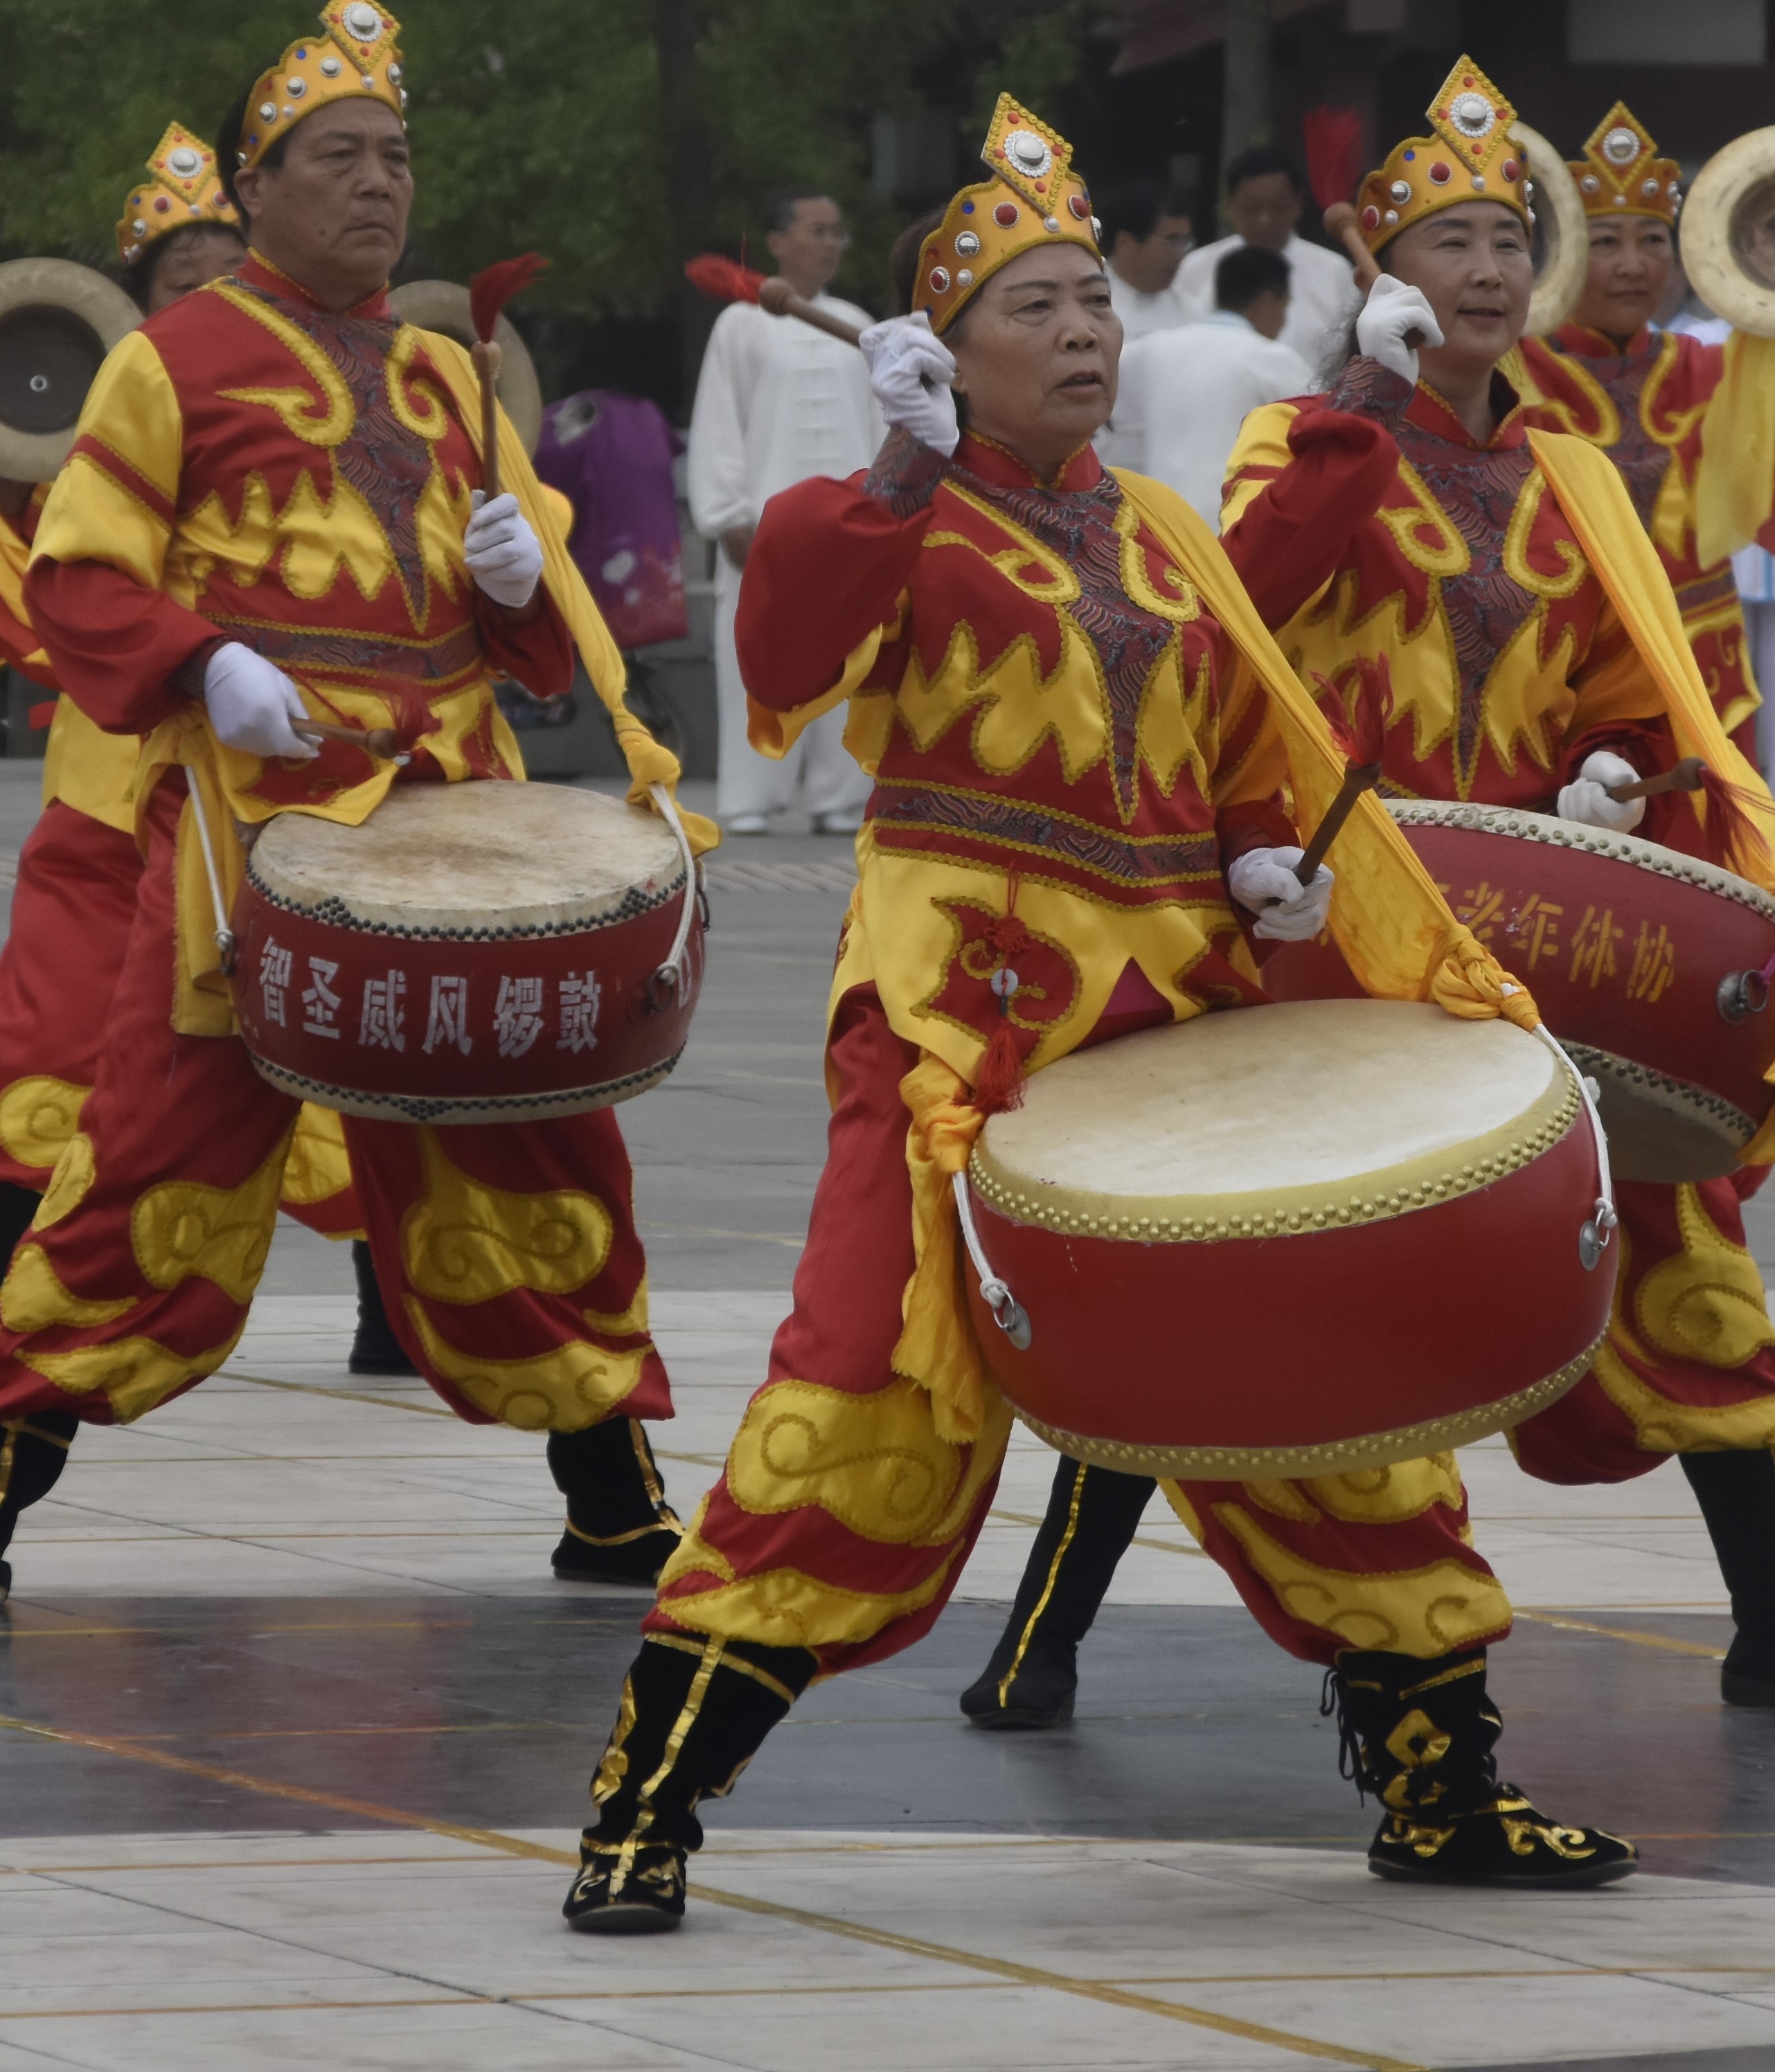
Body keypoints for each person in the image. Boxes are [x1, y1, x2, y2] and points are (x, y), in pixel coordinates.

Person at [568, 96, 1636, 1934]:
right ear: (948, 355)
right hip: (954, 1023)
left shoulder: (1154, 525)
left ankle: (1440, 1788)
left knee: (1339, 1394)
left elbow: (1246, 740)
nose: (1079, 332)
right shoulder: (901, 519)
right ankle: (647, 1800)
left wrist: (1265, 862)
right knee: (872, 1407)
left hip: (1174, 1022)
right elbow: (786, 658)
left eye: (1090, 303)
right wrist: (895, 484)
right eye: (1033, 307)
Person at [944, 60, 1775, 1740]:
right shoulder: (1300, 439)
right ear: (1385, 263)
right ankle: (1042, 1629)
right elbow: (1228, 618)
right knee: (1254, 1279)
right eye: (1452, 241)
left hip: (1542, 932)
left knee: (1684, 1242)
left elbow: (1642, 681)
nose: (1483, 269)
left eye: (1502, 239)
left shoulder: (1570, 468)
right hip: (1351, 925)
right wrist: (1347, 417)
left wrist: (1620, 770)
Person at [0, 0, 693, 1615]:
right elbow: (79, 572)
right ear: (256, 187)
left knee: (544, 1146)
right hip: (256, 828)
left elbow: (545, 648)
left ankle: (615, 1497)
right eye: (337, 155)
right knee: (153, 1153)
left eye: (395, 156)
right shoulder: (174, 359)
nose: (376, 184)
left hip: (453, 816)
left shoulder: (445, 377)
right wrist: (204, 662)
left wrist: (514, 580)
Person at [0, 127, 379, 1392]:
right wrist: (191, 655)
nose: (215, 296)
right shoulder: (111, 422)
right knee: (45, 1049)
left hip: (289, 797)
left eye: (232, 269)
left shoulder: (340, 400)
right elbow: (25, 597)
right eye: (185, 281)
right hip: (116, 793)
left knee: (364, 1045)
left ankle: (405, 1316)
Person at [1512, 104, 1775, 761]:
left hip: (1701, 660)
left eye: (1652, 240)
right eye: (1606, 243)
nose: (1633, 265)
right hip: (1568, 664)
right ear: (1566, 250)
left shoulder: (1711, 372)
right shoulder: (1514, 376)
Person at [686, 184, 876, 837]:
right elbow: (720, 420)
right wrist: (728, 514)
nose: (829, 243)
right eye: (816, 230)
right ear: (777, 243)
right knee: (757, 654)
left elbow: (883, 425)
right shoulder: (741, 323)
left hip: (851, 526)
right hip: (764, 525)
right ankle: (749, 797)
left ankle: (840, 796)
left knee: (849, 654)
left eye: (836, 232)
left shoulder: (857, 322)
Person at [1113, 243, 1312, 510]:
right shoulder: (1275, 360)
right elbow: (1314, 441)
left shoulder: (1153, 349)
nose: (1284, 321)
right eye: (1285, 307)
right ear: (1267, 301)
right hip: (1235, 521)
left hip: (1161, 520)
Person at [1181, 142, 1362, 383]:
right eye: (1252, 208)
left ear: (1298, 204)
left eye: (1277, 207)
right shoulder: (1196, 267)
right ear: (1229, 205)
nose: (1264, 220)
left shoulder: (1334, 272)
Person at [1100, 176, 1207, 343]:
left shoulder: (1193, 314)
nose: (1181, 256)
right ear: (1125, 243)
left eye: (1184, 242)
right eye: (1172, 241)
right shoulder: (1093, 306)